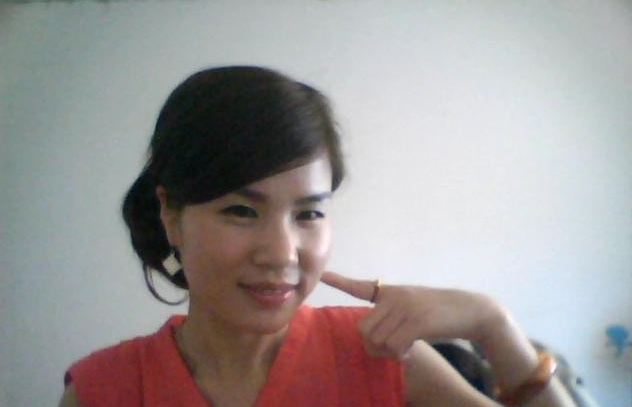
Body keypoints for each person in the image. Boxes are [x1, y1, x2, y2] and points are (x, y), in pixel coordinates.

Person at [58, 66, 576, 407]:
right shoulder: (105, 390)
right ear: (170, 214)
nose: (282, 254)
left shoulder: (380, 357)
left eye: (308, 213)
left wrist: (493, 324)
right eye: (241, 211)